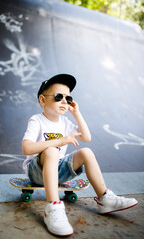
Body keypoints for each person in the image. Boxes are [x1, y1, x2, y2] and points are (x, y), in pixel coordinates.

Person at [22, 74, 138, 237]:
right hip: (37, 171)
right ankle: (53, 207)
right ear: (42, 100)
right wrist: (59, 141)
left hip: (57, 172)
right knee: (51, 150)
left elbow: (86, 138)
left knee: (86, 152)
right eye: (58, 97)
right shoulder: (37, 120)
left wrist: (76, 113)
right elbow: (26, 148)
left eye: (68, 98)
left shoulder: (64, 123)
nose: (64, 101)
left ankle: (105, 198)